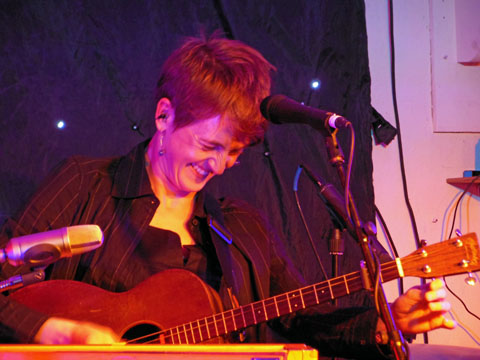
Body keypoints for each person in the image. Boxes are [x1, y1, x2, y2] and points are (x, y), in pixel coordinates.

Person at [0, 35, 455, 358]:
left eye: (233, 153)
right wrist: (49, 329)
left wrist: (385, 321)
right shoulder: (85, 185)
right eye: (208, 146)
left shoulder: (241, 227)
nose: (218, 166)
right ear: (164, 116)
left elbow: (304, 318)